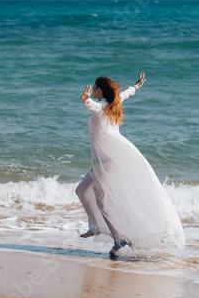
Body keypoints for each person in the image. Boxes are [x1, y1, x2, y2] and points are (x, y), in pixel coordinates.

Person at [76, 73, 185, 257]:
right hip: (103, 163)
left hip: (105, 163)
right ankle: (95, 227)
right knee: (81, 190)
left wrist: (86, 100)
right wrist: (135, 87)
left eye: (94, 88)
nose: (92, 90)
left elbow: (93, 106)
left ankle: (118, 239)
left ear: (100, 90)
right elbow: (123, 95)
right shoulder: (112, 104)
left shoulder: (102, 106)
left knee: (101, 202)